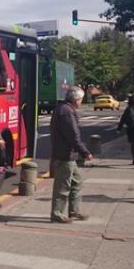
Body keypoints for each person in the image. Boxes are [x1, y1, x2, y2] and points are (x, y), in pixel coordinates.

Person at [49, 87, 93, 223]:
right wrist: (84, 152)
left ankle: (74, 211)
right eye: (80, 100)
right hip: (64, 155)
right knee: (63, 186)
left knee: (77, 182)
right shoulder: (66, 112)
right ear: (75, 100)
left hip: (69, 155)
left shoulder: (64, 108)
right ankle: (57, 214)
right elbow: (73, 136)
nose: (81, 102)